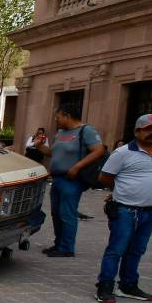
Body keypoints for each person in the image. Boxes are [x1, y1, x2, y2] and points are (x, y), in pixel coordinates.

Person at [94, 114, 152, 303]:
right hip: (125, 210)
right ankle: (105, 287)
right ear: (137, 131)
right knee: (116, 249)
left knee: (137, 250)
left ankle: (128, 285)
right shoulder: (122, 152)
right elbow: (105, 177)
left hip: (148, 211)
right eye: (148, 129)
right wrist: (120, 192)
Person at [36, 105, 105, 257]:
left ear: (67, 116)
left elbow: (99, 150)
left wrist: (77, 167)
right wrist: (40, 146)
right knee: (56, 212)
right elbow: (53, 153)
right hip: (57, 178)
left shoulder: (86, 131)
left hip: (72, 179)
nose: (56, 120)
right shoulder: (60, 133)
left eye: (58, 116)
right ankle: (59, 243)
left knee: (67, 213)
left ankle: (67, 248)